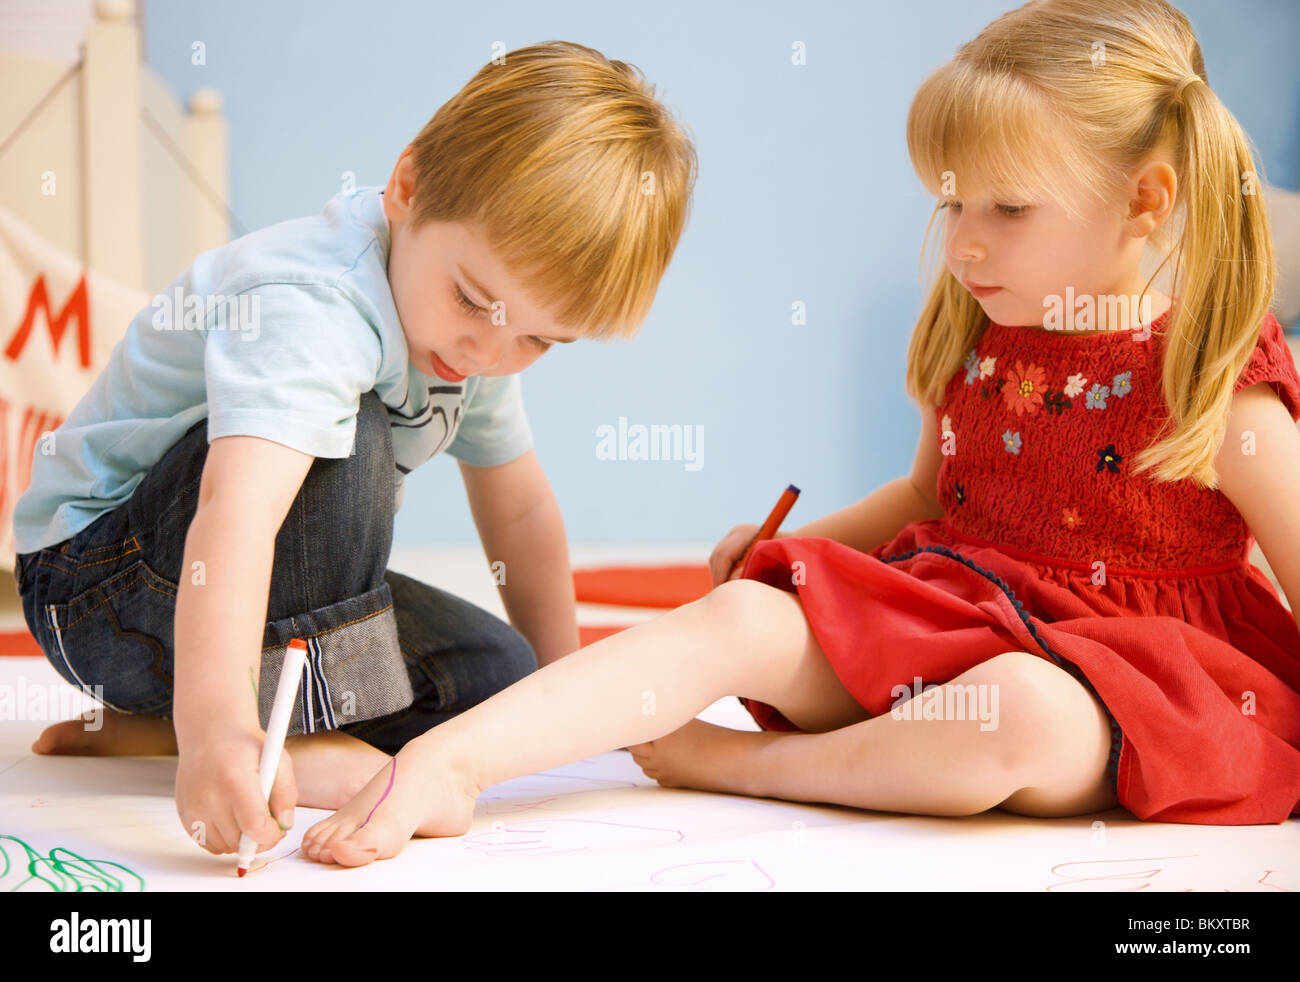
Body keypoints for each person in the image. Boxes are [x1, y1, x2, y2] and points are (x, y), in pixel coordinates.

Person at [298, 0, 1300, 868]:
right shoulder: (982, 340)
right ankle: (452, 761)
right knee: (741, 619)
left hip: (1130, 691)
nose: (960, 243)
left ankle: (753, 765)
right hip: (952, 623)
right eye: (949, 201)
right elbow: (924, 501)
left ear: (1144, 199)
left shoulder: (1212, 369)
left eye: (1005, 207)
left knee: (1020, 712)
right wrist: (797, 554)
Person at [10, 40, 698, 861]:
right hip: (98, 587)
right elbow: (234, 517)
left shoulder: (478, 340)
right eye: (472, 299)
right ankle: (258, 733)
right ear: (407, 190)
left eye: (540, 340)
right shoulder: (314, 306)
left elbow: (519, 506)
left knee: (500, 677)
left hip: (221, 612)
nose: (486, 351)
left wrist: (567, 687)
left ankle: (149, 726)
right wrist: (215, 733)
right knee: (352, 432)